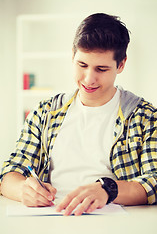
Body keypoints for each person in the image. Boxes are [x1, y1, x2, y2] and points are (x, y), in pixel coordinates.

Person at [0, 13, 157, 216]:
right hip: (49, 221)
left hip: (115, 224)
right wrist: (23, 190)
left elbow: (154, 179)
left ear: (121, 65)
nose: (89, 79)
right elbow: (10, 173)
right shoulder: (45, 112)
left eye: (101, 69)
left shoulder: (144, 117)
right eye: (82, 65)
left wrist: (107, 190)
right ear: (73, 54)